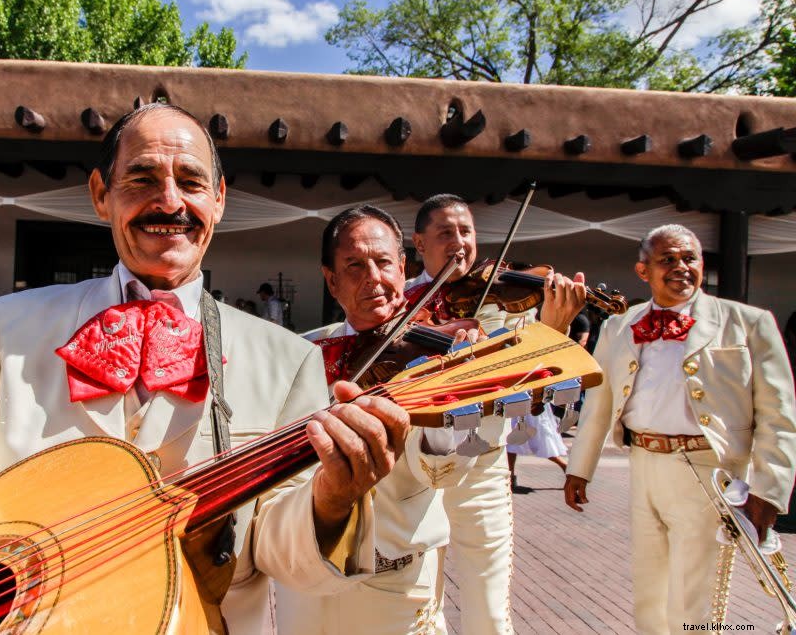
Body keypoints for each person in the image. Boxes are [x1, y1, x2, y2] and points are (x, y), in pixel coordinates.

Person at [0, 103, 411, 633]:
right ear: (101, 193)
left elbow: (284, 555)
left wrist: (334, 498)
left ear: (220, 200)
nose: (170, 203)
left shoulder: (289, 361)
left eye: (191, 182)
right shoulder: (6, 327)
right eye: (143, 179)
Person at [564, 224, 796, 633]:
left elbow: (779, 413)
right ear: (643, 271)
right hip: (644, 464)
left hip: (710, 471)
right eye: (667, 259)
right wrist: (579, 468)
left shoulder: (748, 322)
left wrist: (769, 490)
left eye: (689, 258)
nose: (681, 267)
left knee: (695, 594)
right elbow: (598, 399)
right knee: (649, 589)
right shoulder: (622, 324)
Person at [406, 193, 586, 635]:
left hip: (482, 467)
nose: (459, 242)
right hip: (416, 473)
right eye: (445, 233)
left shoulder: (507, 306)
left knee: (489, 606)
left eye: (466, 231)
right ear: (419, 243)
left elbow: (537, 383)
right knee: (419, 607)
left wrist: (555, 327)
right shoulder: (402, 304)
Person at [277, 205, 461, 634]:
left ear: (402, 268)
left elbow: (445, 471)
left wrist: (449, 398)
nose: (373, 278)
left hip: (396, 575)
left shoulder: (439, 354)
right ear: (331, 280)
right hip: (309, 575)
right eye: (354, 266)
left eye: (383, 263)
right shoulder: (305, 353)